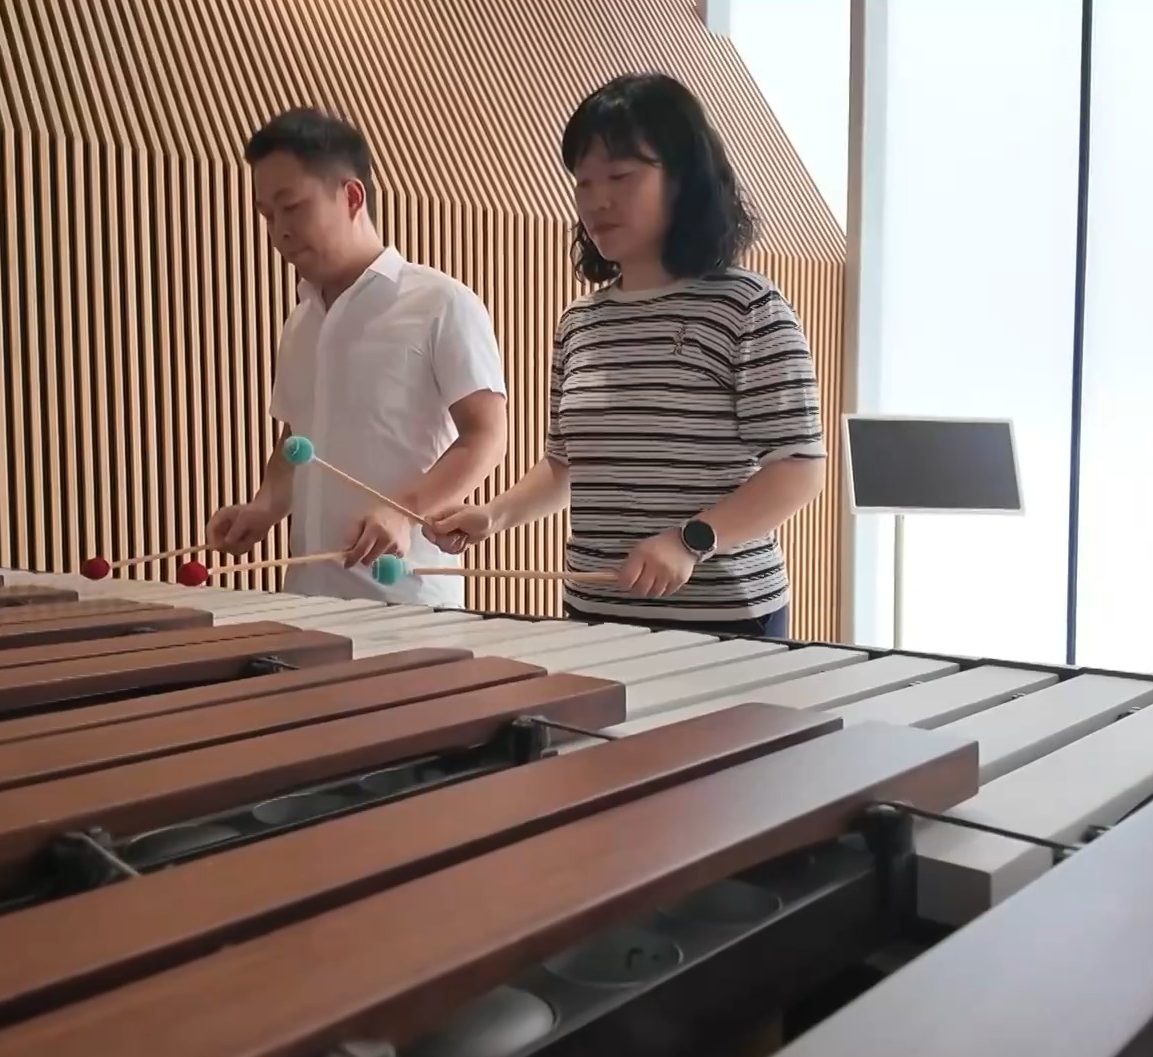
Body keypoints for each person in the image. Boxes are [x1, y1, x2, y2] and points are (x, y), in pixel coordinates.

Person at [423, 73, 826, 638]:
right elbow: (564, 466)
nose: (597, 201)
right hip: (596, 614)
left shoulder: (747, 307)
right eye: (583, 182)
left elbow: (799, 469)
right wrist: (492, 516)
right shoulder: (580, 322)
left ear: (683, 179)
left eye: (620, 176)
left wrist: (690, 541)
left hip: (725, 620)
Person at [208, 107, 508, 608]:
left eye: (292, 207)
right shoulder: (301, 322)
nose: (279, 231)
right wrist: (264, 507)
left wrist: (403, 510)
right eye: (267, 215)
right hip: (307, 599)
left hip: (409, 602)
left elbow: (487, 435)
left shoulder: (441, 302)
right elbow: (296, 439)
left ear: (351, 196)